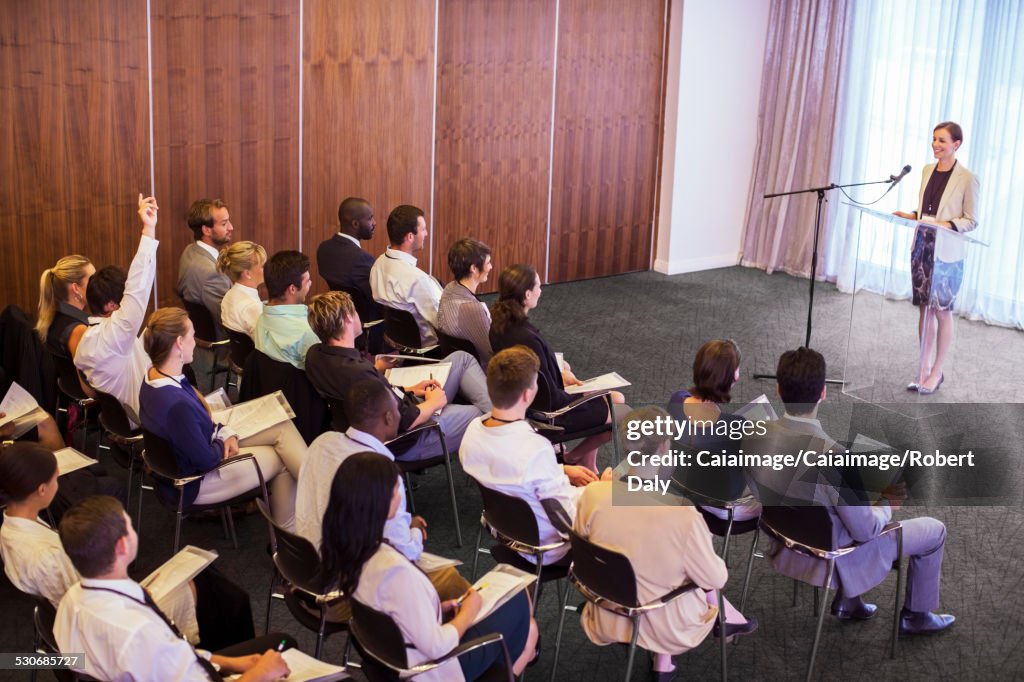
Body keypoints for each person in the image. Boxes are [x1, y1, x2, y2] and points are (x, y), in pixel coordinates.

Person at [751, 347, 954, 633]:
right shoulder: (833, 458)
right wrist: (886, 504)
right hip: (830, 558)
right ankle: (917, 616)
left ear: (778, 389)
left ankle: (849, 601)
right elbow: (866, 532)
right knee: (934, 530)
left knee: (843, 501)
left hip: (784, 543)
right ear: (823, 393)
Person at [0, 443, 254, 650]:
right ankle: (221, 660)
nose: (59, 483)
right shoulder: (46, 557)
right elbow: (92, 614)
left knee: (206, 580)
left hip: (95, 611)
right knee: (214, 590)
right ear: (42, 489)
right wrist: (140, 597)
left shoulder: (9, 527)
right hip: (108, 632)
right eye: (57, 479)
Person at [320, 452, 538, 680]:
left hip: (398, 656)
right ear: (383, 501)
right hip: (433, 668)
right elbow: (436, 647)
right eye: (397, 488)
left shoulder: (350, 550)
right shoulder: (395, 571)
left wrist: (436, 608)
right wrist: (468, 611)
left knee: (517, 618)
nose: (400, 493)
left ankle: (515, 658)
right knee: (519, 599)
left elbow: (392, 611)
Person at [576, 406, 756, 679]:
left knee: (655, 557)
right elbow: (716, 578)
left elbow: (585, 543)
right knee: (682, 568)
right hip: (664, 623)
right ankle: (719, 624)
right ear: (663, 447)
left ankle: (666, 662)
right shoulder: (683, 516)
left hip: (606, 608)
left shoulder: (593, 494)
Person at [54, 495, 292, 681]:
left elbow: (164, 660)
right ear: (123, 546)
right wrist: (262, 673)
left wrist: (229, 662)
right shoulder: (140, 632)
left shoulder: (71, 601)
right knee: (285, 643)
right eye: (129, 525)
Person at [295, 379, 470, 621]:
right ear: (388, 417)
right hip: (344, 592)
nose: (401, 413)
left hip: (306, 574)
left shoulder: (321, 443)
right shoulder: (380, 474)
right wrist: (416, 531)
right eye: (398, 409)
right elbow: (405, 553)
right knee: (449, 580)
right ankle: (479, 646)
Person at [139, 307, 307, 530]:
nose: (195, 342)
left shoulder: (153, 376)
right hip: (195, 483)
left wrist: (223, 432)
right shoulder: (176, 405)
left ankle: (319, 503)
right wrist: (223, 440)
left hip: (195, 452)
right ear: (179, 343)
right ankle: (292, 534)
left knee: (282, 427)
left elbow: (197, 423)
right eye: (192, 336)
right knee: (283, 459)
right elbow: (206, 460)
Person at [460, 346, 611, 566]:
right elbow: (568, 522)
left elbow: (506, 467)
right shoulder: (535, 449)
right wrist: (601, 492)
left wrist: (560, 470)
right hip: (549, 545)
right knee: (626, 503)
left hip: (505, 528)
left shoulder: (473, 431)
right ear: (528, 394)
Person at [304, 290, 490, 460]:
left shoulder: (315, 356)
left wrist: (409, 390)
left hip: (384, 415)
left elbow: (370, 397)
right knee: (478, 413)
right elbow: (406, 421)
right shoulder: (359, 373)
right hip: (405, 437)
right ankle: (507, 425)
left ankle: (507, 422)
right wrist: (434, 402)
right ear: (347, 319)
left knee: (461, 359)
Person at [488, 264, 628, 471]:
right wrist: (584, 394)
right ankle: (574, 457)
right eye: (537, 286)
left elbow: (541, 378)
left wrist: (562, 375)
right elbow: (552, 398)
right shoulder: (527, 338)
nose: (541, 290)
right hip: (551, 414)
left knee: (612, 396)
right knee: (621, 410)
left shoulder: (499, 326)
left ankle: (588, 464)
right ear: (527, 295)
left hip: (524, 401)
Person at [893, 121, 980, 395]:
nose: (936, 145)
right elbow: (926, 210)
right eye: (934, 139)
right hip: (922, 246)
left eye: (942, 140)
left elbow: (971, 220)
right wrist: (911, 216)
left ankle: (937, 371)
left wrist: (948, 225)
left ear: (956, 144)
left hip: (948, 253)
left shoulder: (967, 178)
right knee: (924, 309)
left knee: (941, 311)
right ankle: (923, 368)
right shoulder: (926, 170)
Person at [74, 194, 159, 427]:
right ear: (112, 306)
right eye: (123, 302)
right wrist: (148, 229)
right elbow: (138, 287)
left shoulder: (86, 340)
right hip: (143, 419)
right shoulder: (116, 335)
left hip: (119, 420)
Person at [668, 339, 761, 522]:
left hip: (677, 486)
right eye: (737, 369)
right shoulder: (736, 425)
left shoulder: (677, 400)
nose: (739, 375)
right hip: (719, 506)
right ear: (731, 377)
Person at [369, 204, 443, 346]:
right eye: (423, 229)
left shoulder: (377, 265)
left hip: (397, 342)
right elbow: (443, 324)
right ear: (410, 237)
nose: (426, 234)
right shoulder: (418, 280)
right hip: (430, 348)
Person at [318, 196, 385, 352]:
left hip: (336, 324)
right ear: (355, 224)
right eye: (370, 219)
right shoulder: (361, 259)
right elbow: (378, 300)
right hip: (364, 332)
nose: (374, 223)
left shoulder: (323, 249)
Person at [36, 252, 94, 397]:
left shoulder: (53, 317)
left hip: (69, 406)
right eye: (92, 280)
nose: (98, 286)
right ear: (76, 289)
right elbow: (90, 390)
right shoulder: (78, 330)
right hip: (88, 412)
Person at [176, 198, 234, 337]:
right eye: (224, 224)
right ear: (207, 230)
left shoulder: (190, 250)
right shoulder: (211, 275)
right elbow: (231, 322)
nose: (231, 227)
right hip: (223, 350)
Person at [252, 250, 318, 369]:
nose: (310, 283)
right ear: (292, 289)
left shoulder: (261, 320)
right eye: (307, 281)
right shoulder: (306, 332)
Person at [437, 238, 494, 363]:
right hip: (478, 370)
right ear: (473, 268)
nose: (491, 267)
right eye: (488, 262)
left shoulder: (450, 288)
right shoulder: (472, 309)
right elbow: (491, 354)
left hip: (454, 360)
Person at [218, 240, 267, 338]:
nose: (266, 269)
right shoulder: (252, 306)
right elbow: (265, 345)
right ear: (247, 274)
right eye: (262, 266)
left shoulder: (230, 294)